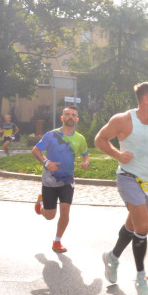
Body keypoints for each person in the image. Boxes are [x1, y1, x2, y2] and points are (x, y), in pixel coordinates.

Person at [96, 81, 148, 295]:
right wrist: (117, 155)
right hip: (128, 177)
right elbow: (100, 139)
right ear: (146, 99)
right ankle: (141, 277)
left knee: (134, 224)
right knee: (143, 225)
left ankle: (112, 257)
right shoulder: (123, 120)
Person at [31, 106, 91, 254]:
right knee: (50, 216)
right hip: (50, 181)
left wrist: (86, 162)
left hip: (67, 181)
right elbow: (35, 150)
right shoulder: (51, 135)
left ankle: (57, 241)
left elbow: (85, 154)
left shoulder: (80, 138)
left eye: (73, 115)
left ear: (76, 119)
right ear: (62, 118)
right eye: (67, 114)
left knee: (65, 212)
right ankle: (42, 203)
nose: (70, 117)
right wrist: (46, 163)